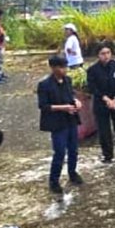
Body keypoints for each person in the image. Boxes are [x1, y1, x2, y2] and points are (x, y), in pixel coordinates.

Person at [38, 55, 84, 189]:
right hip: (57, 123)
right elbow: (44, 106)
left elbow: (70, 95)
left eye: (65, 67)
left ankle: (72, 172)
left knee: (73, 149)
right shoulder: (45, 85)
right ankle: (54, 180)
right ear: (53, 68)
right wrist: (63, 108)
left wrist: (76, 101)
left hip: (71, 119)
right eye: (61, 67)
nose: (65, 70)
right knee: (59, 152)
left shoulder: (67, 80)